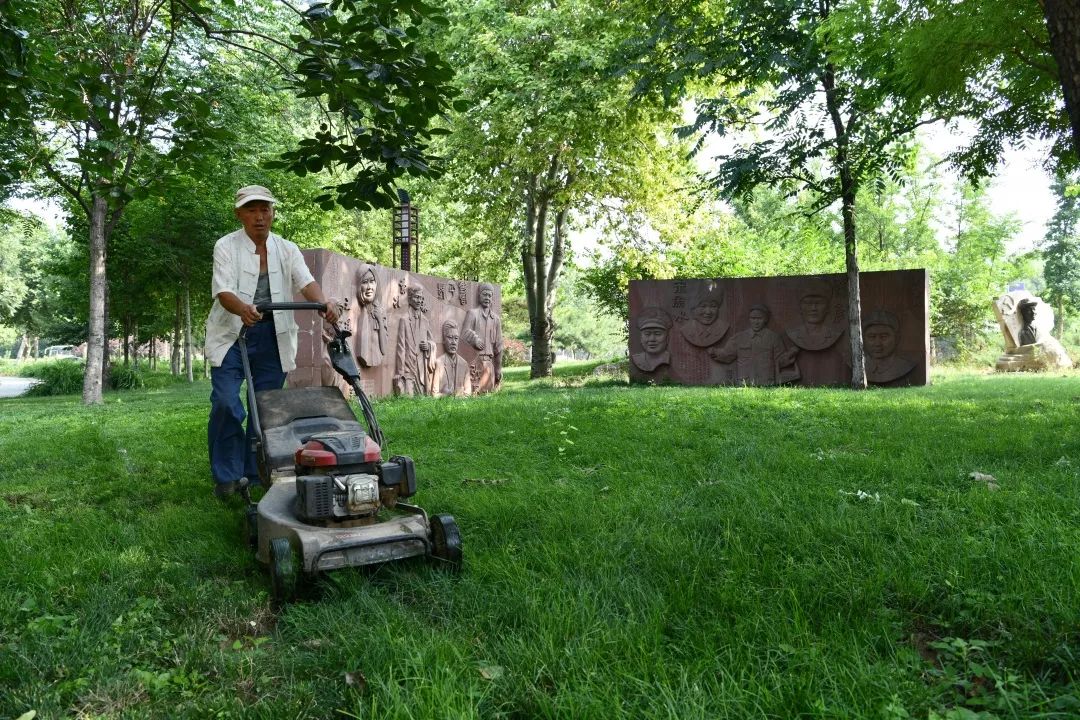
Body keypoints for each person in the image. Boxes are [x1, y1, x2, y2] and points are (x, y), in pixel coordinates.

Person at [205, 185, 338, 498]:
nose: (259, 217)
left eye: (265, 209)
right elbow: (223, 291)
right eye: (251, 210)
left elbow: (305, 281)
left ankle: (254, 473)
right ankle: (227, 477)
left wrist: (324, 304)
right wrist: (243, 309)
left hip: (272, 336)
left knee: (265, 408)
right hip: (231, 334)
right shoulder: (226, 246)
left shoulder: (286, 249)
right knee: (226, 402)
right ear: (239, 214)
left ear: (273, 213)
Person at [709, 304, 798, 386]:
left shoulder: (773, 338)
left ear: (765, 319)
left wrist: (790, 354)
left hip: (766, 383)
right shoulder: (739, 338)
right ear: (749, 319)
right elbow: (727, 355)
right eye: (753, 318)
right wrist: (714, 352)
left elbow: (780, 361)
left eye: (759, 318)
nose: (756, 322)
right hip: (745, 383)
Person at [393, 284, 436, 395]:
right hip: (408, 367)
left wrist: (428, 345)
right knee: (408, 397)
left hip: (421, 368)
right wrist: (400, 372)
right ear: (410, 298)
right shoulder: (404, 320)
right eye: (416, 297)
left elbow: (432, 341)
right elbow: (401, 347)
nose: (419, 301)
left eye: (421, 298)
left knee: (422, 397)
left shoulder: (425, 321)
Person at [462, 283, 503, 392]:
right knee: (473, 392)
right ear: (479, 295)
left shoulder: (496, 319)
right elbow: (464, 333)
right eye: (485, 295)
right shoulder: (472, 314)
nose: (487, 298)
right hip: (474, 362)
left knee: (488, 393)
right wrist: (474, 340)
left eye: (490, 296)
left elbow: (499, 346)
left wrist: (498, 368)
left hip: (489, 363)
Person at [862, 310, 915, 386]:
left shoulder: (904, 366)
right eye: (871, 337)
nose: (877, 343)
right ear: (863, 339)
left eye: (884, 337)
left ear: (897, 338)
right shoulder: (858, 367)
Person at [354, 263, 389, 367]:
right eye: (365, 282)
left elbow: (384, 349)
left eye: (372, 281)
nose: (369, 287)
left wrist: (380, 320)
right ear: (359, 286)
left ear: (376, 284)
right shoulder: (360, 312)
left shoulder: (380, 312)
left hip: (376, 357)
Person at [432, 319, 473, 398]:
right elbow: (435, 394)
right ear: (444, 340)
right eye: (450, 338)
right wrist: (446, 395)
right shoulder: (439, 363)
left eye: (456, 338)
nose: (453, 342)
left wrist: (458, 398)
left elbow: (468, 393)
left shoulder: (464, 364)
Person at [631, 307, 673, 373]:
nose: (652, 339)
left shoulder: (670, 358)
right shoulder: (637, 359)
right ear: (641, 338)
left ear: (667, 338)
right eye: (647, 334)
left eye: (658, 334)